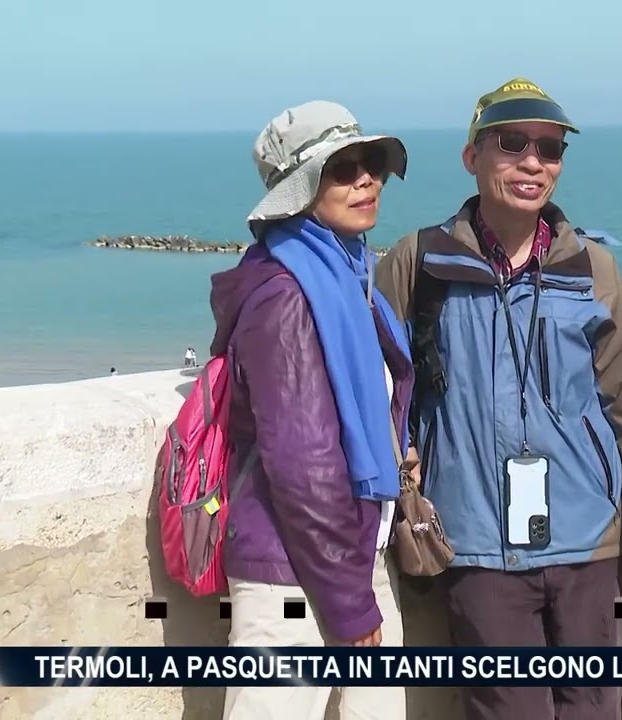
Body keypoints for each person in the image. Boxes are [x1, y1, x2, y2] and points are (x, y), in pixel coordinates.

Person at [374, 77, 622, 720]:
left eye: (550, 149)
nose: (533, 162)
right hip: (472, 540)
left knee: (594, 710)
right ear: (472, 156)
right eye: (513, 144)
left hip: (589, 539)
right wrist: (408, 480)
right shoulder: (420, 263)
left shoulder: (593, 268)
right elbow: (381, 391)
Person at [208, 100, 414, 720]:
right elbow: (304, 463)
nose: (367, 180)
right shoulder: (288, 294)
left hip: (349, 552)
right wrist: (349, 601)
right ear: (300, 190)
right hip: (294, 574)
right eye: (343, 169)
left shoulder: (347, 272)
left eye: (372, 163)